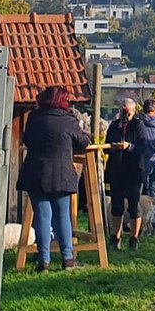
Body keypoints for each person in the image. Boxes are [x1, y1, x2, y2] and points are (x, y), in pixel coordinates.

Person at [17, 86, 90, 271]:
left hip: (36, 173)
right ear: (62, 101)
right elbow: (83, 142)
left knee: (42, 217)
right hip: (61, 175)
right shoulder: (68, 120)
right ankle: (68, 260)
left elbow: (27, 140)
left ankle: (44, 261)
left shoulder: (34, 117)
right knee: (62, 215)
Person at [104, 98, 148, 251]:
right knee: (116, 205)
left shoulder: (138, 125)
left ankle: (134, 238)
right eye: (123, 111)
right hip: (116, 170)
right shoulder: (114, 125)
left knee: (134, 205)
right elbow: (105, 146)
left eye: (128, 112)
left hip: (134, 171)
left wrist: (129, 147)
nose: (125, 115)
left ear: (133, 111)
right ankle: (115, 237)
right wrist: (113, 147)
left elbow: (144, 148)